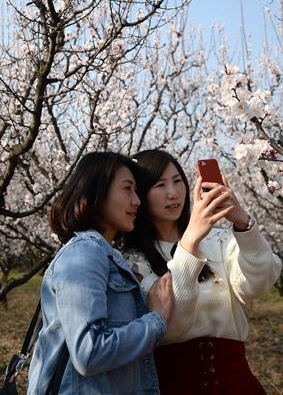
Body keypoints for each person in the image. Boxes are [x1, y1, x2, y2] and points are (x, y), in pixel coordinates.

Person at [123, 149, 282, 395]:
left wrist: (242, 224)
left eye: (178, 181)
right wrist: (190, 242)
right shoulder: (133, 261)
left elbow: (257, 285)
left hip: (238, 385)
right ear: (140, 195)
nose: (173, 193)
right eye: (159, 185)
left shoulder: (218, 240)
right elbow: (169, 326)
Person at [27, 151, 175, 394]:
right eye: (127, 189)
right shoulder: (84, 254)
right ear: (96, 192)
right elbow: (89, 353)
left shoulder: (106, 255)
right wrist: (155, 321)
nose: (137, 201)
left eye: (136, 191)